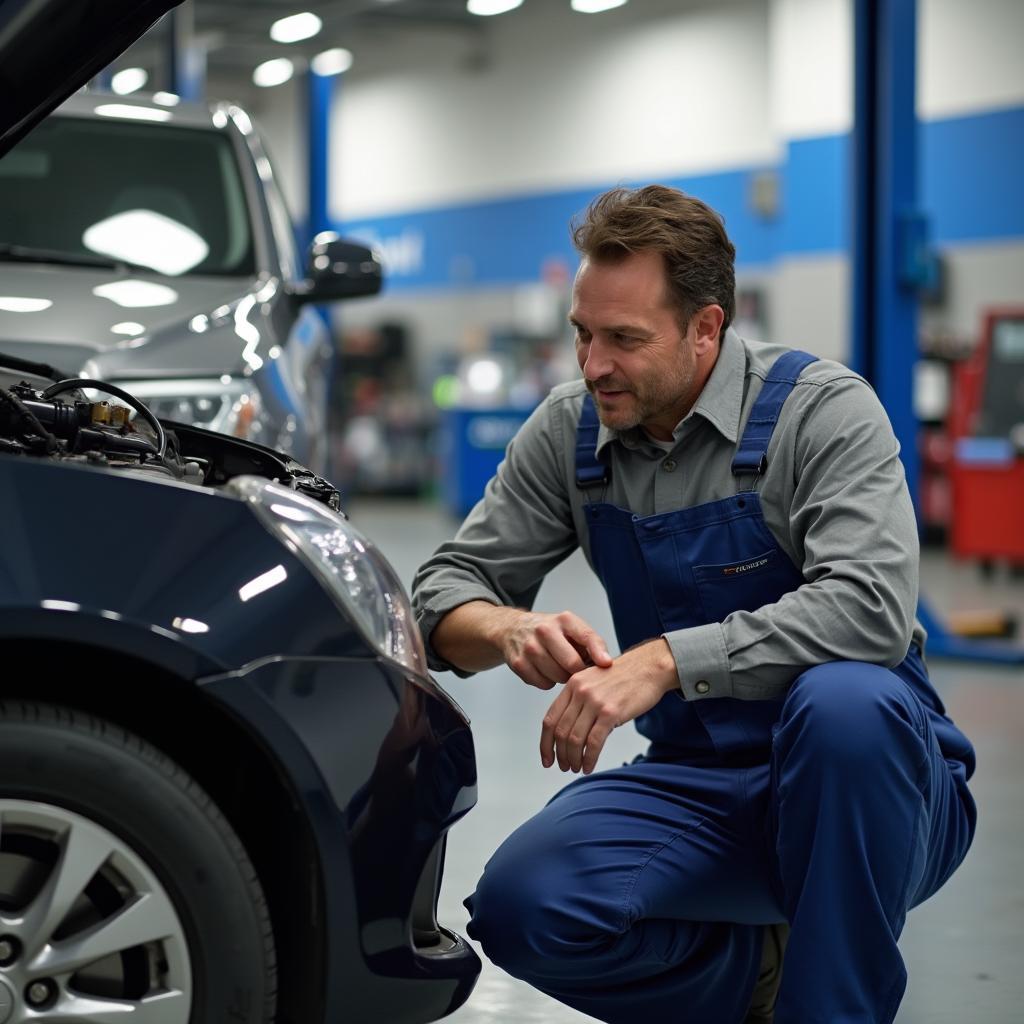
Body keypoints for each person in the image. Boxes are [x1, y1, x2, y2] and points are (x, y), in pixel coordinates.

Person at [411, 185, 976, 1024]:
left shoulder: (820, 413)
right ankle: (765, 972)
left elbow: (870, 608)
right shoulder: (573, 432)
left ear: (706, 328)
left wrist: (667, 660)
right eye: (583, 333)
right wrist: (507, 625)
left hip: (876, 789)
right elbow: (441, 591)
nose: (593, 363)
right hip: (702, 785)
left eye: (625, 340)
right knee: (524, 905)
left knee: (845, 703)